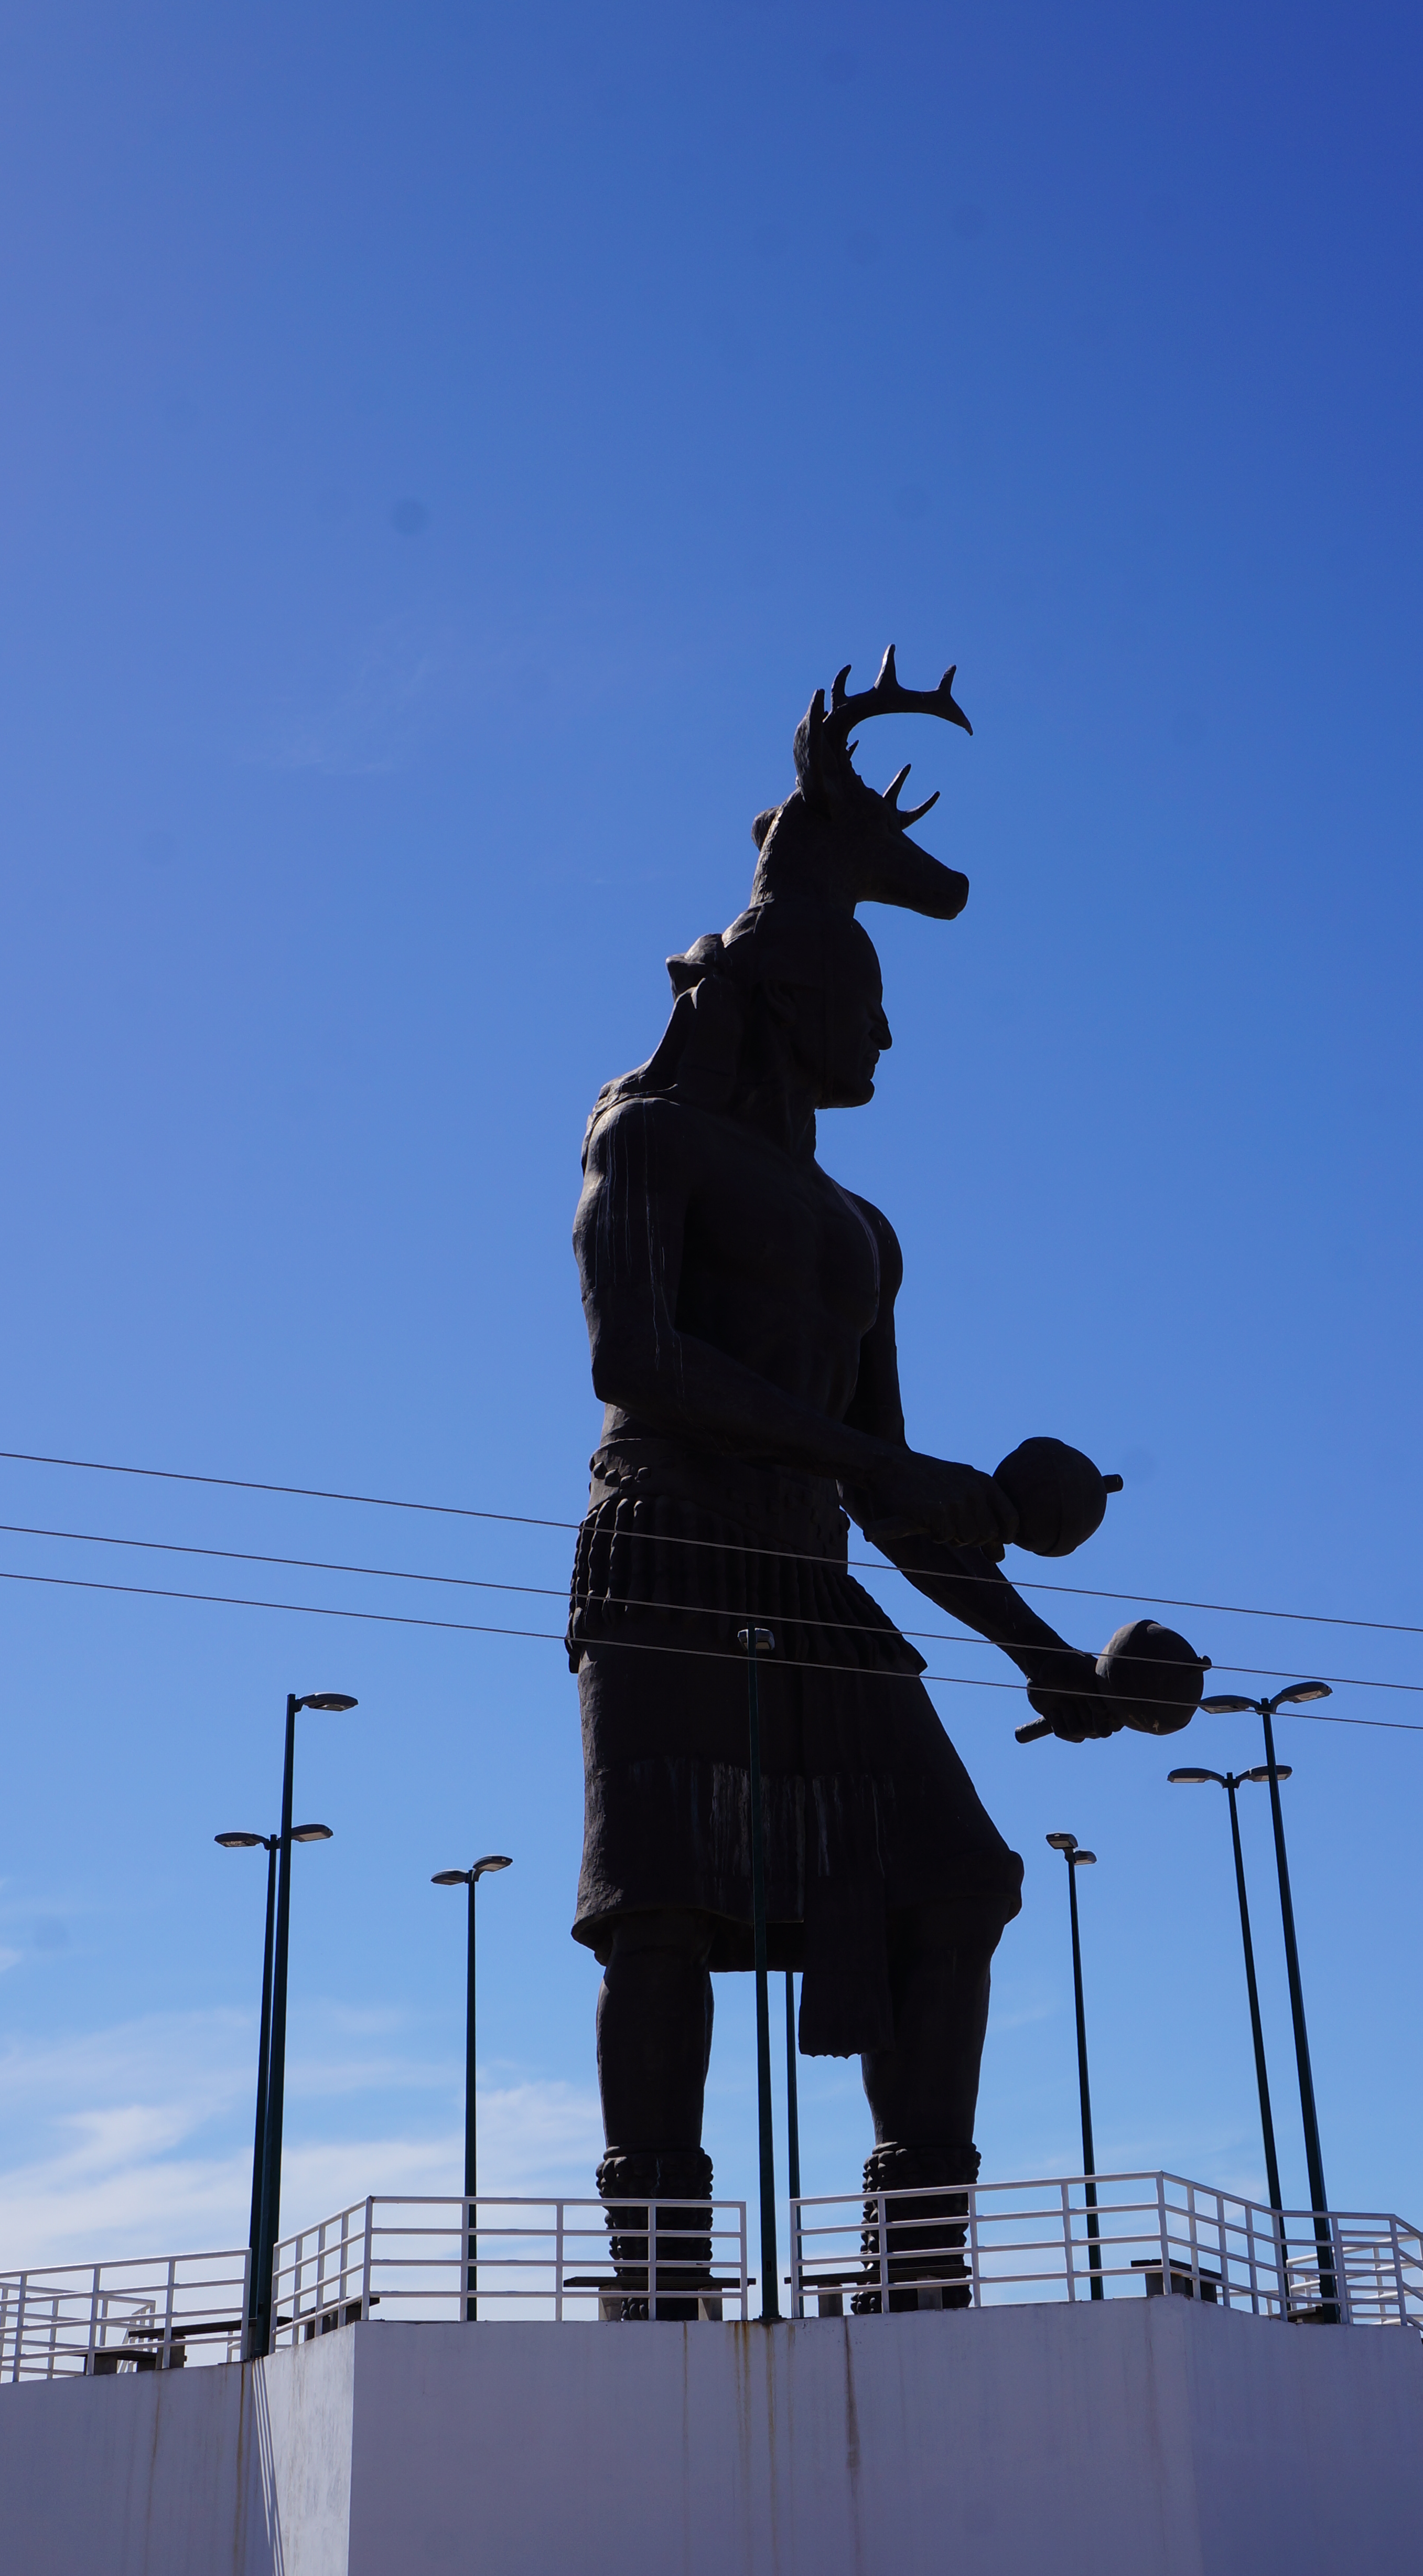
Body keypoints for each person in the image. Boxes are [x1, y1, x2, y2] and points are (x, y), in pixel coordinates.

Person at [567, 653, 1117, 2305]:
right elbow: (637, 1361)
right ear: (797, 996)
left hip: (812, 1568)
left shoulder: (865, 1231)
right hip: (663, 1543)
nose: (884, 1028)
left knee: (959, 1880)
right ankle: (661, 2273)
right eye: (864, 998)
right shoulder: (644, 1138)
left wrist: (1046, 1656)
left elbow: (892, 1495)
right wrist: (888, 1463)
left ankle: (915, 2264)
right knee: (661, 1906)